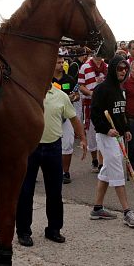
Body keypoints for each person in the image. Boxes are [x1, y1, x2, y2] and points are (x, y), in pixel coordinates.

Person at [16, 81, 87, 246]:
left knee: (55, 191)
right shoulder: (27, 93)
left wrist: (83, 138)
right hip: (30, 147)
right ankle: (23, 231)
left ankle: (54, 229)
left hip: (53, 147)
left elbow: (74, 118)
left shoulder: (61, 96)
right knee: (25, 192)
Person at [88, 56, 134, 228]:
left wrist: (126, 129)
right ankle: (127, 212)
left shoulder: (120, 89)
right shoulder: (101, 89)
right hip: (106, 136)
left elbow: (120, 113)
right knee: (118, 170)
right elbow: (95, 114)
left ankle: (97, 208)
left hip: (117, 136)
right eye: (119, 68)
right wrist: (106, 129)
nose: (123, 71)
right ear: (112, 69)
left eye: (125, 68)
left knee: (107, 170)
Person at [77, 49, 108, 172]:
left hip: (104, 104)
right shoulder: (85, 67)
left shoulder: (107, 67)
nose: (99, 54)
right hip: (90, 104)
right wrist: (91, 93)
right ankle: (94, 159)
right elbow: (80, 86)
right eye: (97, 52)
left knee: (103, 131)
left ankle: (101, 163)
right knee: (91, 133)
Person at [51, 51, 80, 183]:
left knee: (67, 144)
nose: (61, 65)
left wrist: (74, 97)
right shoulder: (46, 79)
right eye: (58, 62)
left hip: (67, 116)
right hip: (51, 116)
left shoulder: (69, 79)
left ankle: (65, 172)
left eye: (62, 62)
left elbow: (77, 95)